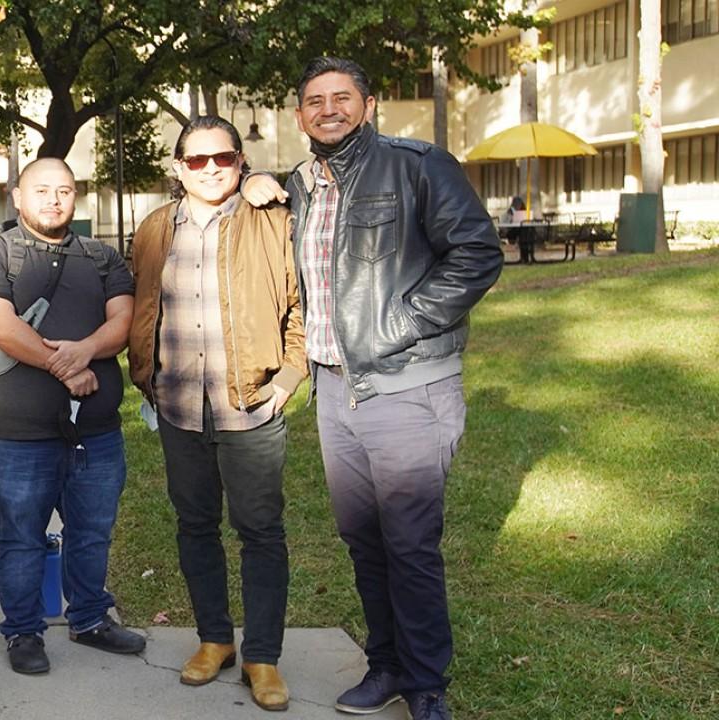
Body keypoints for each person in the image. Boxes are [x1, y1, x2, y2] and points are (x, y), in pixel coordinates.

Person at [246, 57, 502, 720]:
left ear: (369, 103)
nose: (327, 108)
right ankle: (385, 664)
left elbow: (477, 251)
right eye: (313, 100)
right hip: (338, 391)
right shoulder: (302, 183)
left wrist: (402, 321)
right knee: (364, 539)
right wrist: (257, 183)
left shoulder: (417, 165)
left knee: (410, 544)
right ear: (299, 114)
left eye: (341, 97)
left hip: (408, 386)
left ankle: (424, 686)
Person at [128, 117, 305, 711]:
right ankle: (213, 639)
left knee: (260, 532)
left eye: (222, 159)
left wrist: (288, 377)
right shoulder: (154, 228)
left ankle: (262, 655)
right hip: (179, 406)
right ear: (178, 168)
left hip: (251, 405)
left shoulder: (272, 217)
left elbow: (301, 304)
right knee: (194, 526)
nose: (210, 170)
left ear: (240, 162)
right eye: (196, 160)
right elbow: (143, 303)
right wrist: (144, 376)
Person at [0, 158, 142, 677]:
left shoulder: (103, 257)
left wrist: (83, 352)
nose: (53, 200)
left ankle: (89, 618)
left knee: (92, 532)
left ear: (75, 197)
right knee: (22, 536)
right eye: (41, 190)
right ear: (17, 196)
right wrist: (65, 369)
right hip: (21, 434)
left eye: (63, 191)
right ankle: (23, 630)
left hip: (96, 431)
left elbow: (124, 322)